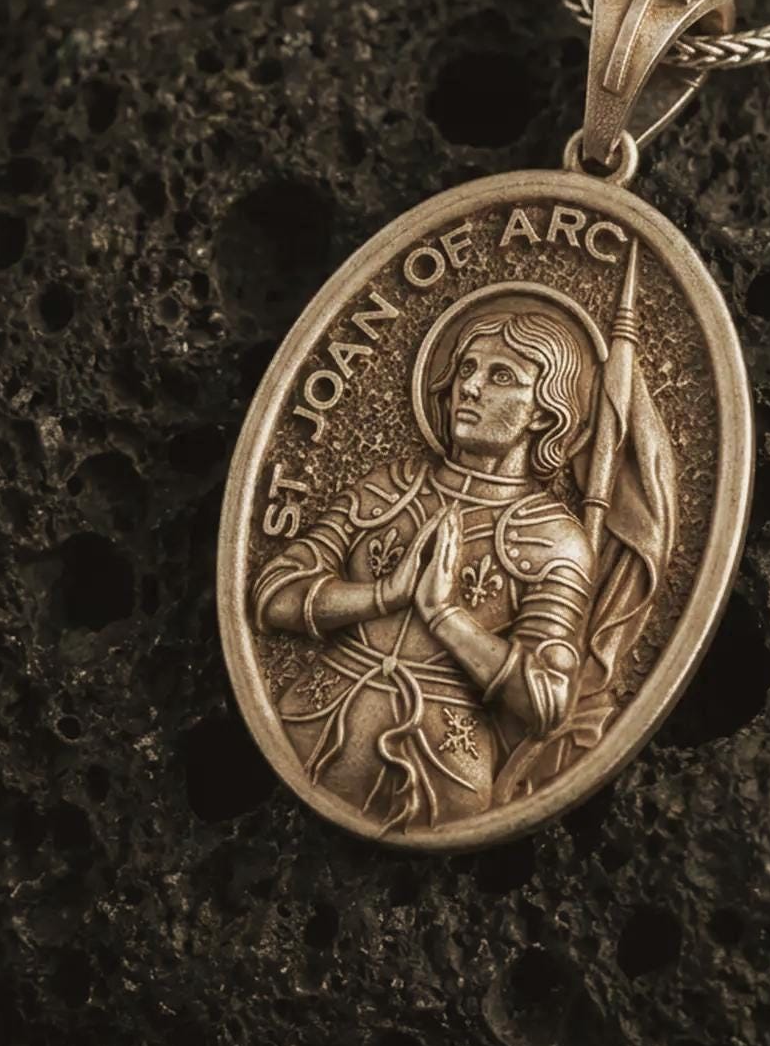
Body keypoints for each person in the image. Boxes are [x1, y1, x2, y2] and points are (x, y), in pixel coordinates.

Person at [253, 283, 673, 834]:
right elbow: (270, 594)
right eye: (468, 367)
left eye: (502, 377)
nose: (469, 386)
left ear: (544, 415)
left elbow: (549, 701)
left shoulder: (553, 539)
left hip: (444, 769)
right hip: (307, 721)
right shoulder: (388, 489)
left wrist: (446, 616)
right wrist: (384, 595)